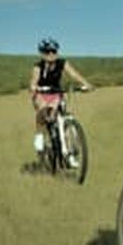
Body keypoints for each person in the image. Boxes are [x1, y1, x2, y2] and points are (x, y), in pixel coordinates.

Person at [29, 37, 93, 166]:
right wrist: (34, 87)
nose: (51, 54)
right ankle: (40, 136)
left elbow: (74, 74)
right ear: (42, 53)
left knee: (61, 118)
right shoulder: (38, 67)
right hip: (42, 93)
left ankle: (69, 154)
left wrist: (86, 84)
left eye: (54, 51)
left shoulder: (62, 63)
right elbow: (33, 81)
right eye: (48, 52)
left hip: (56, 93)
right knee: (43, 110)